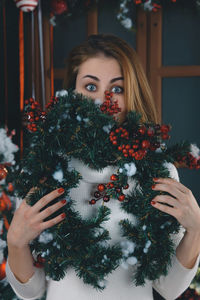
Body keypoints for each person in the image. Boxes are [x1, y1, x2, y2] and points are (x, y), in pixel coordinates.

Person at [6, 34, 200, 300]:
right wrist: (17, 243)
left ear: (132, 94)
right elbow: (31, 291)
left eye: (117, 89)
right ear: (73, 93)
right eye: (90, 86)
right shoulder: (45, 168)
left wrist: (196, 230)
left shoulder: (158, 173)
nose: (103, 100)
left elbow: (169, 287)